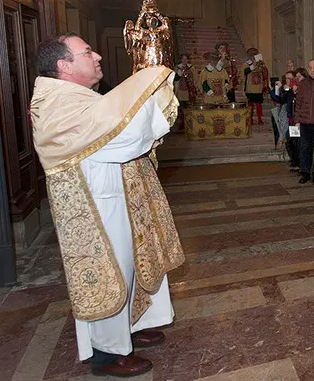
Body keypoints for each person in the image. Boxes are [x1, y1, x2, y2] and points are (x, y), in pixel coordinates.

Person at [30, 33, 184, 377]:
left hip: (117, 198)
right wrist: (147, 80)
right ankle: (107, 354)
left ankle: (129, 329)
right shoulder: (58, 105)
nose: (97, 55)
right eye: (86, 52)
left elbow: (117, 123)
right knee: (111, 274)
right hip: (97, 208)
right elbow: (124, 140)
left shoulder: (78, 97)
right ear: (63, 65)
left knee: (132, 264)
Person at [270, 71, 300, 169]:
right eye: (286, 78)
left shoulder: (297, 88)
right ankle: (294, 160)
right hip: (288, 119)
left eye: (290, 78)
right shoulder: (286, 88)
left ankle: (297, 162)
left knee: (295, 141)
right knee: (289, 140)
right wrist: (278, 89)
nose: (288, 80)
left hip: (296, 119)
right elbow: (280, 100)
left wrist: (293, 90)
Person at [243, 47, 270, 125]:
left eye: (254, 55)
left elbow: (265, 73)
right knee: (250, 105)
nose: (252, 56)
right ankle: (250, 119)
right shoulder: (246, 63)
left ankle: (259, 119)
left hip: (258, 88)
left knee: (259, 105)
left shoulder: (260, 63)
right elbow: (245, 72)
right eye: (251, 55)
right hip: (249, 88)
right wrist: (253, 65)